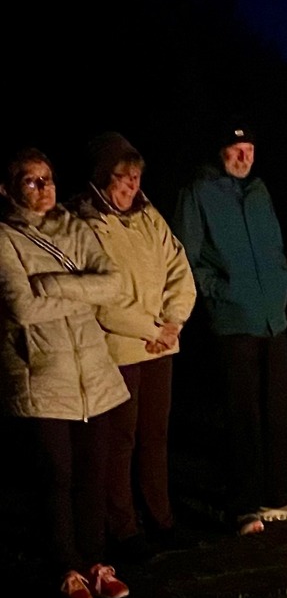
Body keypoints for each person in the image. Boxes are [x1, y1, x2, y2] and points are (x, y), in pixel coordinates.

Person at [175, 124, 287, 534]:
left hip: (272, 316)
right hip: (234, 320)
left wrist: (282, 281)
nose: (244, 157)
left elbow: (276, 247)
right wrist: (220, 292)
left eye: (249, 149)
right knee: (244, 414)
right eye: (235, 149)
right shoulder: (198, 192)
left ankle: (281, 495)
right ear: (220, 151)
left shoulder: (258, 191)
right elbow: (185, 257)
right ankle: (244, 504)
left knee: (280, 410)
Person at [0, 148, 132, 598]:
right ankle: (65, 566)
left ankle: (96, 561)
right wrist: (82, 291)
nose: (44, 188)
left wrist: (51, 284)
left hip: (92, 371)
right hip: (42, 373)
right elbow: (22, 307)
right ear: (7, 189)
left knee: (94, 472)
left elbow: (113, 283)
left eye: (49, 178)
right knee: (56, 474)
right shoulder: (5, 239)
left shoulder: (75, 228)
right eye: (31, 180)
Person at [71, 132, 197, 557]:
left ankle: (161, 518)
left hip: (161, 345)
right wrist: (150, 328)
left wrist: (174, 320)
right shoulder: (85, 223)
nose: (131, 186)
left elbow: (179, 268)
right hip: (121, 348)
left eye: (136, 178)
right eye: (122, 178)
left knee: (155, 435)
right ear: (103, 177)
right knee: (120, 439)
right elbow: (101, 299)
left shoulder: (149, 216)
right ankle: (123, 527)